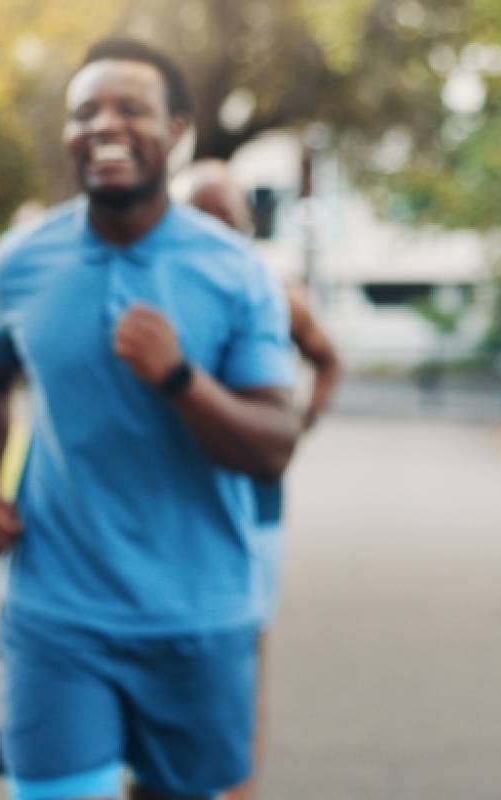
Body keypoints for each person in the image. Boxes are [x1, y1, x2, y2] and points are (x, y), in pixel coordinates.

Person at [0, 39, 300, 800]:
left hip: (197, 617)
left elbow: (273, 445)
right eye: (85, 113)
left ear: (176, 132)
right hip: (55, 611)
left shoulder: (236, 273)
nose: (105, 125)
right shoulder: (20, 262)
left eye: (130, 109)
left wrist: (179, 377)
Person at [172, 158, 342, 800]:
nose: (212, 230)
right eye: (197, 216)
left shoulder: (272, 292)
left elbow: (328, 359)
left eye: (225, 218)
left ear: (246, 225)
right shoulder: (156, 290)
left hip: (253, 510)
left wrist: (300, 422)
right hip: (168, 507)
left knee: (239, 670)